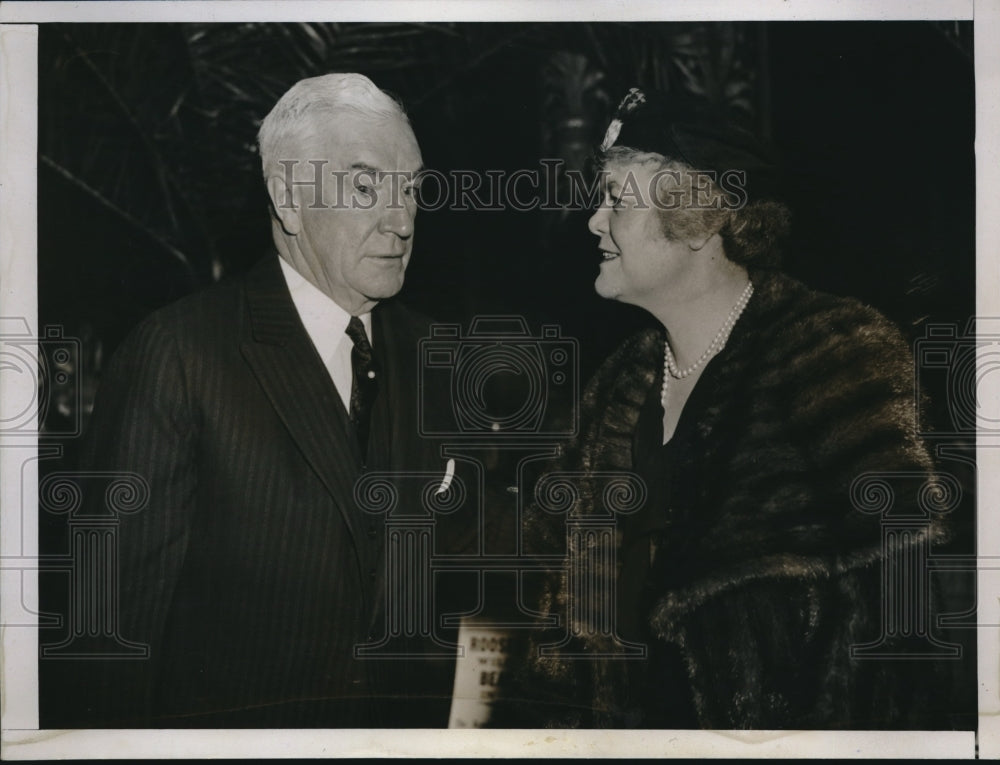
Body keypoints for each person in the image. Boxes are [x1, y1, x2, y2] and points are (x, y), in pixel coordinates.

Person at [491, 88, 954, 729]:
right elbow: (556, 632)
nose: (594, 221)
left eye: (617, 201)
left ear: (698, 218)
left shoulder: (835, 358)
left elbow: (899, 645)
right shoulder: (615, 389)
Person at [49, 74, 464, 728]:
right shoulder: (180, 354)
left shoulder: (437, 356)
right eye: (365, 186)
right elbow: (110, 646)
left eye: (411, 187)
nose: (402, 218)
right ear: (288, 199)